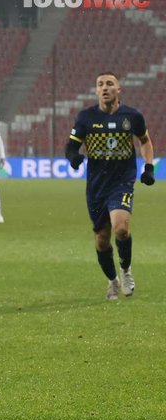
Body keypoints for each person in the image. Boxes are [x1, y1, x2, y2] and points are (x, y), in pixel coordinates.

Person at [65, 71, 155, 300]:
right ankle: (112, 281)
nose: (104, 87)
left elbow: (144, 141)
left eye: (109, 84)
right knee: (102, 239)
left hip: (122, 181)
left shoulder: (132, 116)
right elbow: (71, 146)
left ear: (118, 89)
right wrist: (73, 157)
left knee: (121, 228)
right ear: (96, 90)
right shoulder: (86, 118)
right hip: (96, 186)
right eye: (100, 84)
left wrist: (148, 166)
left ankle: (126, 271)